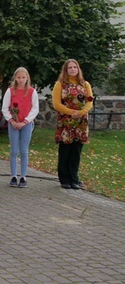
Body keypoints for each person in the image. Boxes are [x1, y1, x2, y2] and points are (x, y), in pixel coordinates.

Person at [52, 59, 93, 190]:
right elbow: (56, 104)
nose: (73, 69)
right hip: (66, 122)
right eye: (70, 67)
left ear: (78, 69)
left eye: (75, 67)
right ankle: (64, 179)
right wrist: (71, 112)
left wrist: (82, 112)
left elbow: (90, 100)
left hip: (81, 122)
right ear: (65, 70)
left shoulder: (85, 84)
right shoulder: (60, 85)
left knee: (76, 151)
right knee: (65, 151)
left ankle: (74, 179)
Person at [1, 67, 39, 188]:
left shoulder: (32, 92)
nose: (21, 80)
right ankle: (13, 175)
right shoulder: (10, 91)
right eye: (19, 78)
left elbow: (35, 108)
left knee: (24, 150)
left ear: (27, 78)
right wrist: (11, 120)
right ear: (15, 78)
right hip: (14, 124)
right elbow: (5, 107)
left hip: (26, 124)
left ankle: (23, 176)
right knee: (14, 150)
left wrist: (26, 121)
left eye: (23, 77)